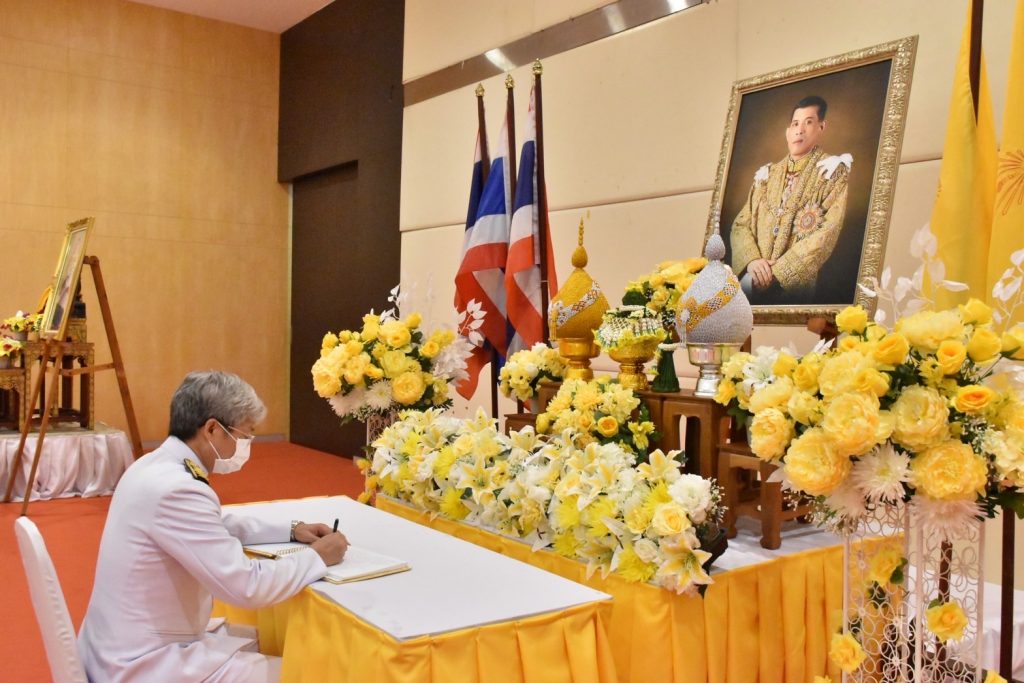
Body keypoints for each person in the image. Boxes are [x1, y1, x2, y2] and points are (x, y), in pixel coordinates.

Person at [78, 371, 349, 682]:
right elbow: (248, 587)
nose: (246, 446)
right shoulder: (177, 488)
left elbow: (215, 524)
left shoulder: (153, 466)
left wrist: (292, 529)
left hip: (120, 644)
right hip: (143, 663)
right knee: (308, 673)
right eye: (245, 436)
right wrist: (317, 557)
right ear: (211, 429)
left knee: (280, 644)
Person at [730, 95, 852, 304]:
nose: (799, 130)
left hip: (795, 290)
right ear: (787, 131)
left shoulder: (832, 171)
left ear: (821, 127)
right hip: (752, 282)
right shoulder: (766, 175)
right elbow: (741, 224)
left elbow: (827, 232)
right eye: (795, 123)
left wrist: (777, 273)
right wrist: (753, 261)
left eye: (808, 122)